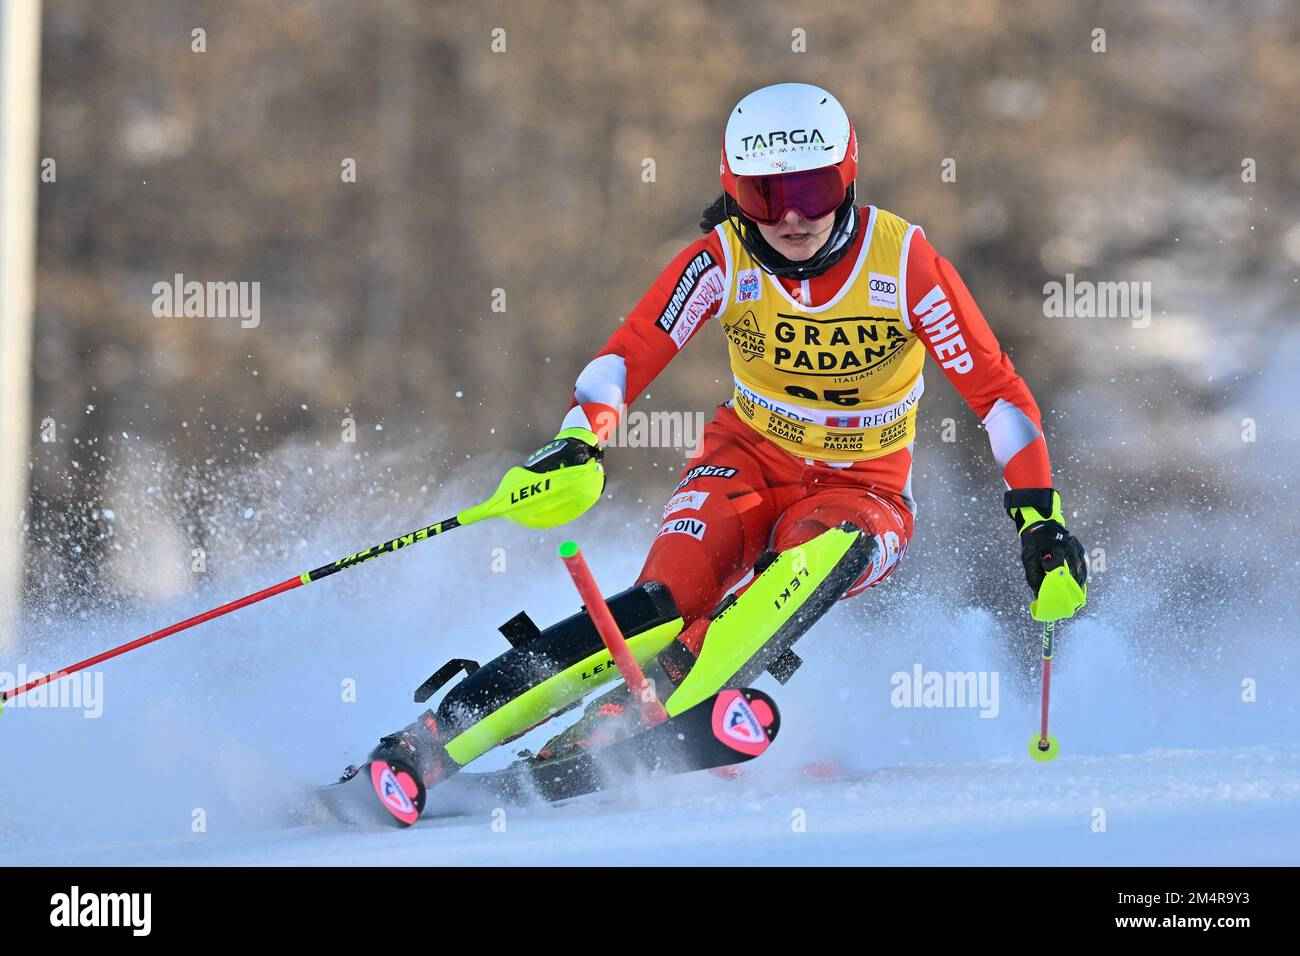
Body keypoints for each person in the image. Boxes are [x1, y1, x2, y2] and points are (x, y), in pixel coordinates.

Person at [371, 82, 1087, 787]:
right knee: (663, 604)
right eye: (765, 197)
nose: (794, 217)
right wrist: (579, 439)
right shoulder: (722, 259)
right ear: (734, 190)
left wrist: (1039, 521)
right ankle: (430, 741)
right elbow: (632, 351)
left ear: (848, 176)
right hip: (743, 462)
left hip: (861, 491)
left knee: (818, 553)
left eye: (815, 190)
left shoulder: (902, 262)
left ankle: (626, 721)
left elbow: (997, 394)